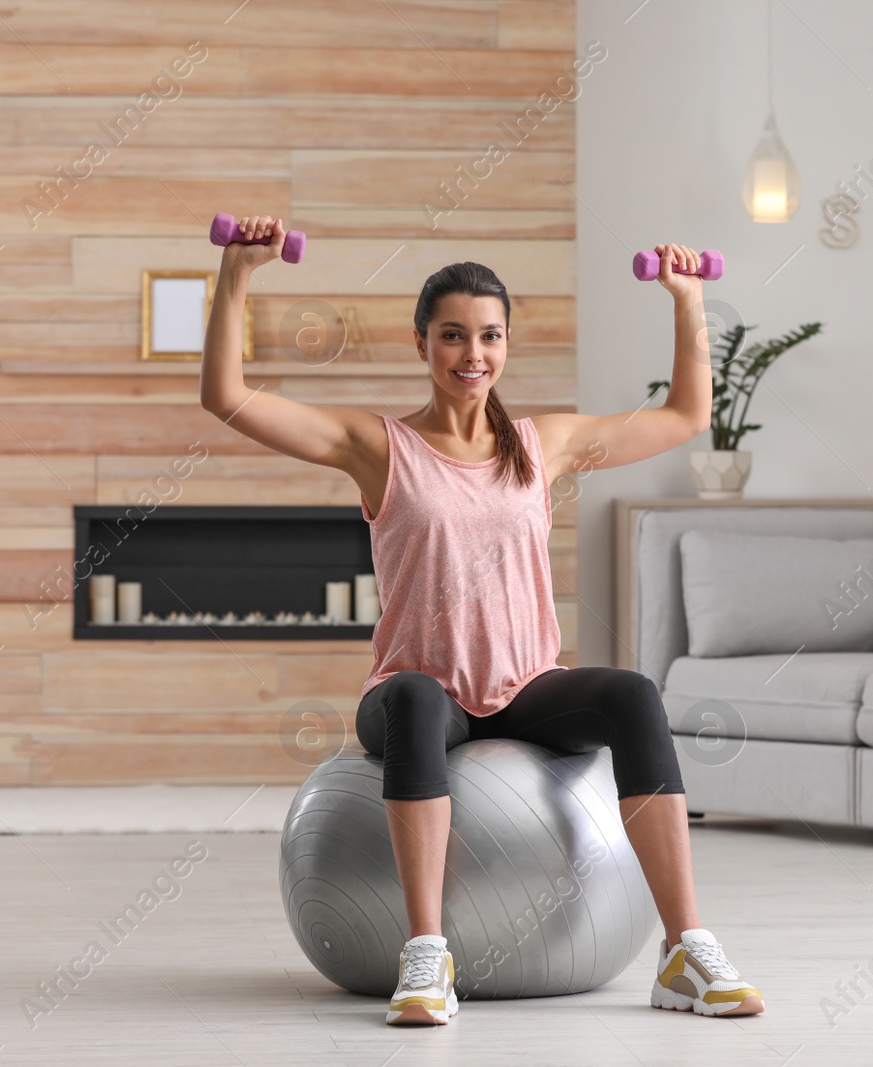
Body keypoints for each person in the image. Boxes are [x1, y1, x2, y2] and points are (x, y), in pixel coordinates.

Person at [201, 215, 763, 1026]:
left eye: (490, 336)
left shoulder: (543, 445)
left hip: (524, 688)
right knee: (421, 699)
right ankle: (426, 952)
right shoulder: (379, 446)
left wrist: (687, 298)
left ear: (507, 345)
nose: (474, 354)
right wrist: (237, 274)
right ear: (422, 342)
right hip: (411, 694)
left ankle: (685, 947)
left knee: (635, 694)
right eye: (454, 335)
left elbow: (683, 415)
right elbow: (228, 398)